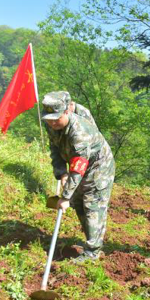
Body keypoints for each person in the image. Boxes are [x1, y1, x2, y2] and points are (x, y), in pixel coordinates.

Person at [42, 91, 115, 263]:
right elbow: (55, 149)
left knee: (92, 203)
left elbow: (78, 167)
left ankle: (93, 252)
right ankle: (91, 239)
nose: (52, 122)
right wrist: (61, 173)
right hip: (79, 166)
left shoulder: (80, 131)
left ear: (67, 111)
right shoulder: (51, 125)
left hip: (98, 167)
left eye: (56, 118)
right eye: (49, 118)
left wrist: (65, 196)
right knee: (78, 203)